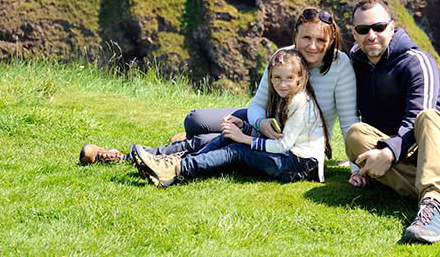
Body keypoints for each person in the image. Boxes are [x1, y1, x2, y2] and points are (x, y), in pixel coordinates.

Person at [80, 8, 359, 174]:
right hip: (266, 125)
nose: (312, 46)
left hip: (293, 141)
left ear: (331, 40)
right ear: (295, 36)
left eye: (320, 39)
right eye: (306, 37)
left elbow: (349, 123)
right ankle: (150, 152)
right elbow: (257, 104)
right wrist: (259, 122)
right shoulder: (284, 57)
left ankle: (127, 156)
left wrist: (356, 169)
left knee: (211, 141)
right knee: (195, 121)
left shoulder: (340, 65)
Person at [344, 0, 440, 244]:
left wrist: (388, 153)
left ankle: (435, 206)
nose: (371, 35)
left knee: (428, 116)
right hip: (398, 153)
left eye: (379, 27)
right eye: (363, 29)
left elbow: (419, 116)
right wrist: (359, 167)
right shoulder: (355, 63)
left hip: (439, 149)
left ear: (391, 27)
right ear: (354, 33)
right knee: (355, 135)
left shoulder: (416, 61)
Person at [128, 49, 330, 187]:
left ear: (300, 79)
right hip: (288, 155)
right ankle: (172, 163)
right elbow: (276, 135)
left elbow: (283, 145)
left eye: (289, 78)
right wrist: (244, 126)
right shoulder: (284, 96)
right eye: (277, 78)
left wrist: (244, 138)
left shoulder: (300, 104)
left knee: (236, 151)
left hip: (300, 166)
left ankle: (176, 169)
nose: (282, 84)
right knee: (228, 137)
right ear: (270, 78)